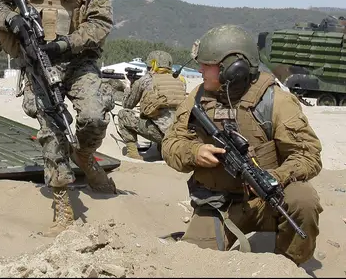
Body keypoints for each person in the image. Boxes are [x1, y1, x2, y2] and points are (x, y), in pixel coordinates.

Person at [0, 0, 117, 235]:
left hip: (77, 59)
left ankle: (85, 155)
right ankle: (62, 210)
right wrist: (12, 20)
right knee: (52, 129)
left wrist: (65, 44)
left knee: (93, 116)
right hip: (37, 62)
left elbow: (101, 23)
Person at [161, 24, 323, 266]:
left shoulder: (275, 101)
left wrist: (275, 177)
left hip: (269, 202)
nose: (200, 69)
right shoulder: (197, 97)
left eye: (207, 65)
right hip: (218, 203)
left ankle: (289, 267)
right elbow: (170, 144)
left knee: (304, 201)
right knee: (192, 263)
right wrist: (194, 152)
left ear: (233, 69)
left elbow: (309, 155)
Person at [116, 50, 187, 160]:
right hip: (179, 133)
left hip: (158, 134)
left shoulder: (145, 80)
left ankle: (132, 153)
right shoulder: (180, 80)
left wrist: (128, 87)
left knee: (123, 115)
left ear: (152, 64)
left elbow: (127, 105)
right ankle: (163, 151)